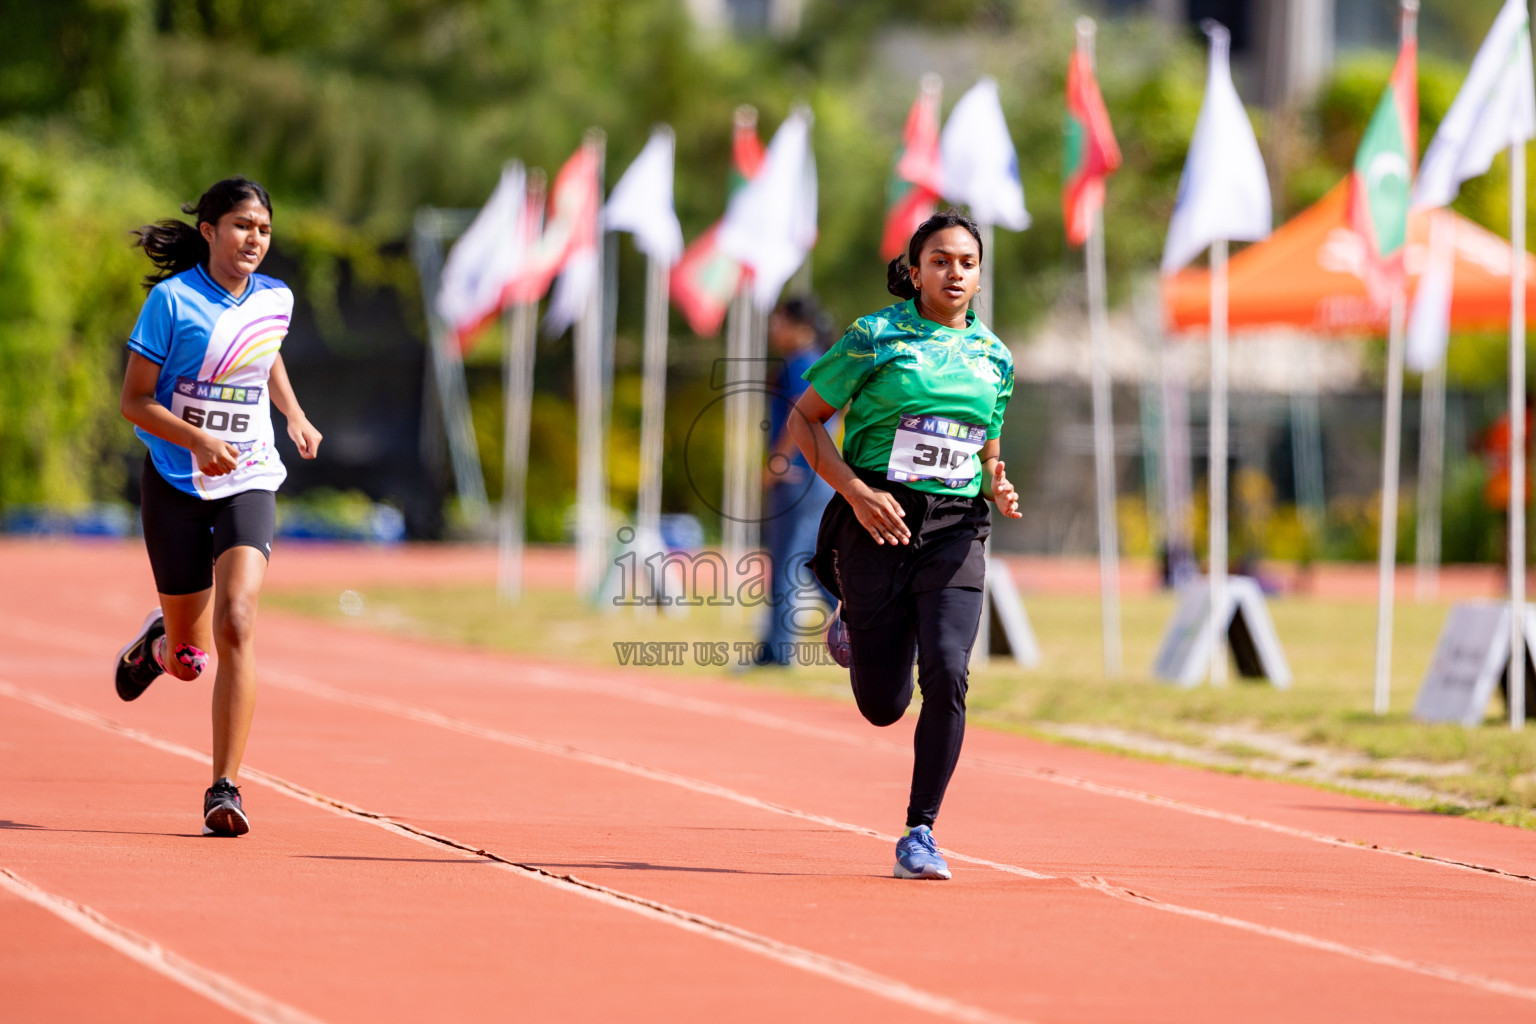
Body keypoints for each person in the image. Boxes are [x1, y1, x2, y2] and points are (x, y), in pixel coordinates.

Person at [788, 210, 1021, 881]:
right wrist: (856, 493)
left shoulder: (995, 357)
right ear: (914, 271)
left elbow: (986, 450)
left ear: (979, 276)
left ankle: (920, 832)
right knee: (883, 705)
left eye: (967, 263)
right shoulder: (874, 337)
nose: (955, 273)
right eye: (941, 260)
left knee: (949, 669)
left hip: (957, 526)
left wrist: (997, 484)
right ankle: (856, 623)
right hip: (877, 517)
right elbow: (807, 421)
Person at [113, 176, 322, 837]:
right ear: (208, 231)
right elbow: (134, 402)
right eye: (240, 226)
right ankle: (160, 642)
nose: (253, 239)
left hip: (251, 474)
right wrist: (197, 439)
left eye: (262, 228)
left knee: (237, 621)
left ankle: (224, 788)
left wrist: (294, 415)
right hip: (176, 477)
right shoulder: (172, 304)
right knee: (189, 661)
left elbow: (266, 357)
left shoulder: (277, 299)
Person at [751, 296, 838, 667]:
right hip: (819, 478)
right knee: (810, 564)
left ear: (800, 326)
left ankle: (776, 651)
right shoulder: (820, 363)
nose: (774, 329)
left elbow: (799, 414)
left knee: (786, 561)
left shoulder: (800, 364)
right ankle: (869, 625)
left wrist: (778, 459)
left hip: (798, 476)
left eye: (779, 322)